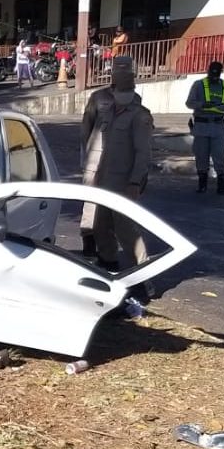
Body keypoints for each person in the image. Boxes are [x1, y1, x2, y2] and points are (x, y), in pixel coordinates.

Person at [79, 55, 154, 282]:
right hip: (101, 174)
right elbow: (88, 132)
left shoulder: (139, 113)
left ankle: (142, 276)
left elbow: (143, 151)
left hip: (123, 181)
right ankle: (107, 265)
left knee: (125, 228)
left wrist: (136, 181)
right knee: (98, 223)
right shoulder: (102, 101)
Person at [186, 61, 224, 195]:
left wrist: (223, 107)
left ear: (220, 73)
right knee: (201, 155)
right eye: (211, 73)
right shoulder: (199, 85)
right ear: (208, 71)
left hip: (218, 125)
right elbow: (189, 103)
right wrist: (203, 105)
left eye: (216, 74)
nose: (213, 76)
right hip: (201, 124)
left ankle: (222, 186)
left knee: (219, 155)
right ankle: (202, 185)